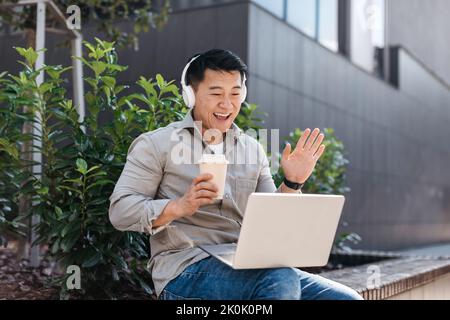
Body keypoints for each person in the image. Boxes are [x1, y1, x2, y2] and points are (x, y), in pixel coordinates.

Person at [109, 49, 363, 300]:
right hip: (185, 269)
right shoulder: (157, 144)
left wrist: (292, 182)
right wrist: (179, 206)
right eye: (216, 93)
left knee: (346, 298)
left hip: (248, 265)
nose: (227, 104)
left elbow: (273, 222)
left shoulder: (253, 149)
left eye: (235, 93)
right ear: (190, 94)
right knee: (279, 279)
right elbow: (120, 211)